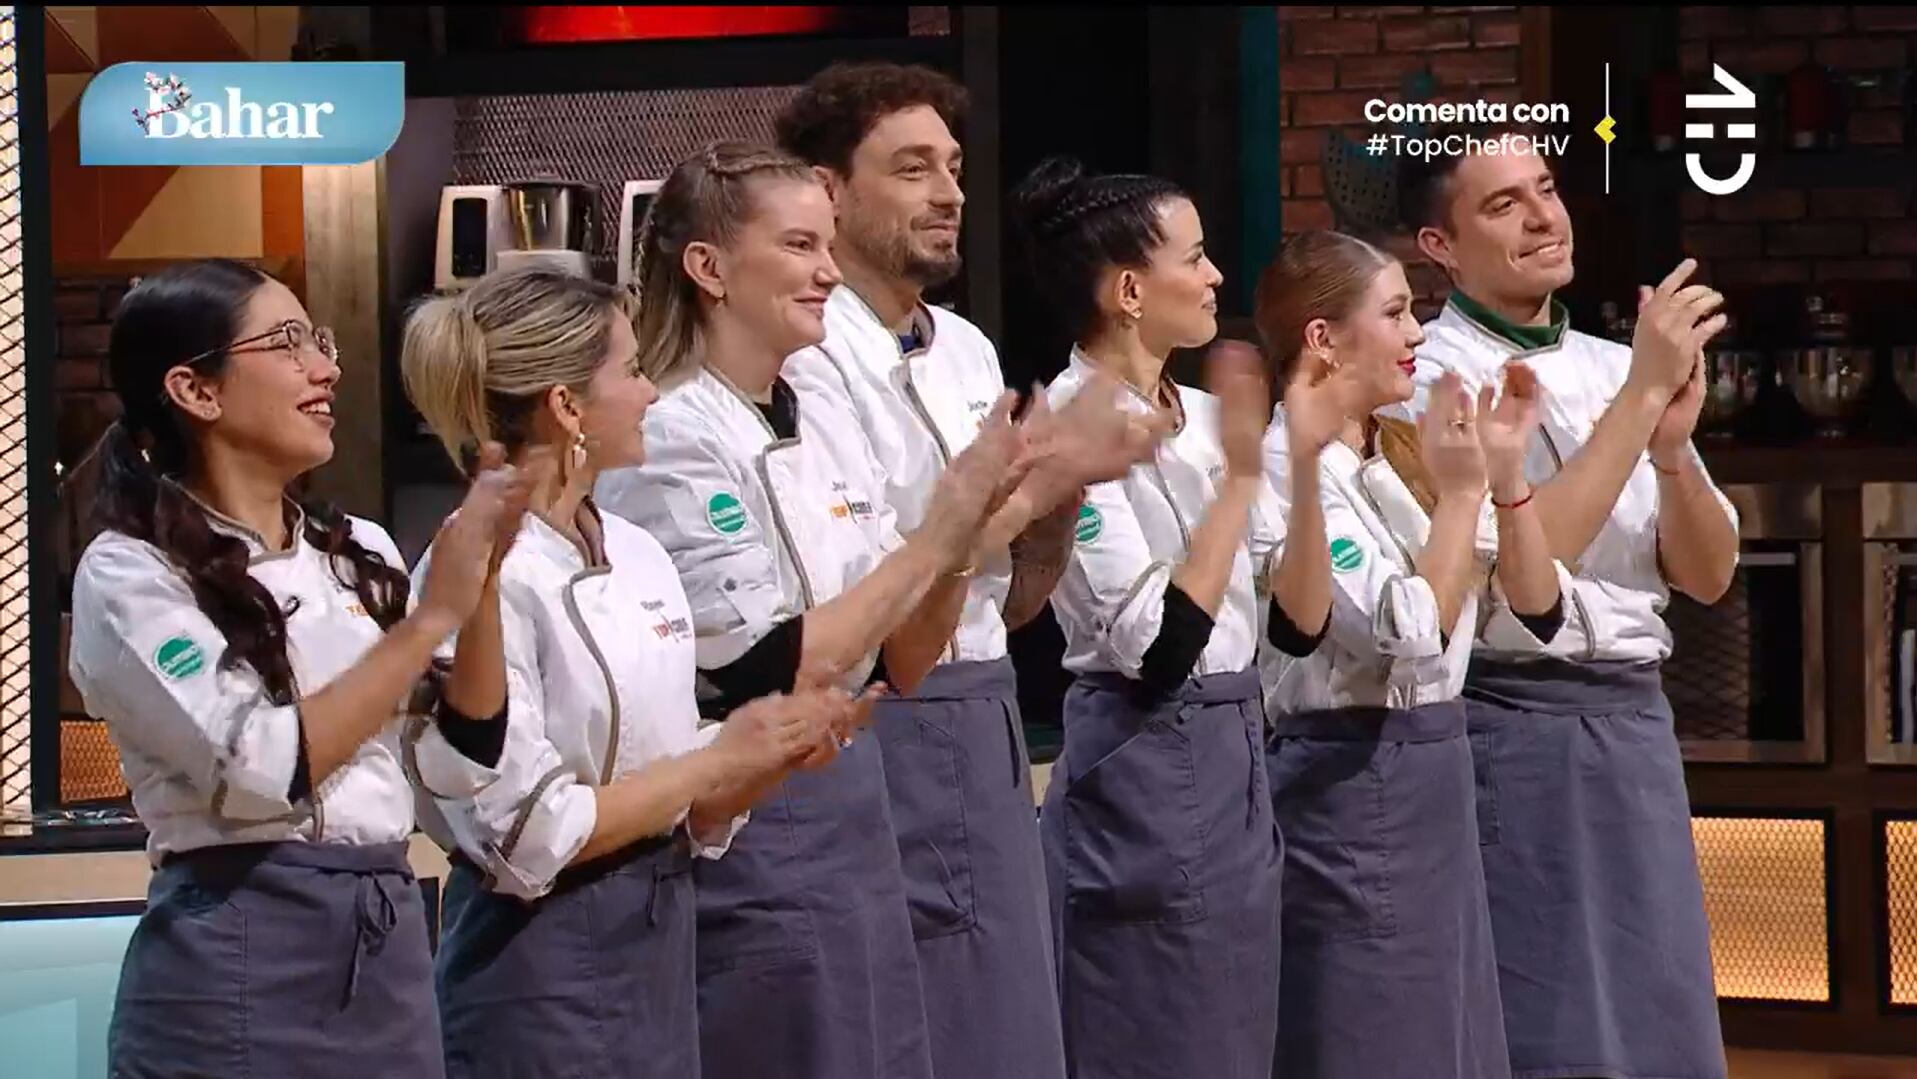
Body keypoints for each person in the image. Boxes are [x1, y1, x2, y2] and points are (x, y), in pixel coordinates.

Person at [594, 140, 1027, 1079]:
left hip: (860, 821)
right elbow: (768, 663)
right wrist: (939, 533)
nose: (828, 271)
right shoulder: (670, 436)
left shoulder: (824, 417)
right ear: (709, 268)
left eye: (828, 244)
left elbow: (903, 660)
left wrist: (965, 534)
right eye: (798, 246)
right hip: (758, 835)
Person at [774, 66, 1158, 1079]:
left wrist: (1061, 496)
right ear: (829, 191)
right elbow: (893, 593)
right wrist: (1044, 483)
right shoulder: (807, 360)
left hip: (985, 716)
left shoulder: (968, 349)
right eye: (912, 169)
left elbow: (1015, 598)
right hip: (886, 717)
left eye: (951, 167)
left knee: (1010, 1027)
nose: (949, 193)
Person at [66, 259, 524, 1078]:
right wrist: (431, 618)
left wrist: (482, 577)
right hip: (235, 957)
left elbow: (462, 760)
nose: (326, 368)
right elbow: (261, 767)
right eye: (287, 343)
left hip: (388, 949)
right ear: (195, 390)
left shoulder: (358, 551)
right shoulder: (128, 572)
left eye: (319, 340)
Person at [398, 266, 859, 1078]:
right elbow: (525, 833)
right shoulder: (474, 568)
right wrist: (715, 760)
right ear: (566, 405)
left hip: (662, 938)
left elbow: (679, 793)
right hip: (535, 966)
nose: (652, 392)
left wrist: (766, 752)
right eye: (634, 370)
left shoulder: (638, 551)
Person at [1395, 127, 1738, 1079]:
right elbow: (1524, 572)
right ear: (1439, 245)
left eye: (1545, 189)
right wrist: (1641, 397)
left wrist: (1668, 447)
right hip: (1512, 723)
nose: (1544, 218)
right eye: (1503, 205)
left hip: (1634, 724)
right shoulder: (1425, 379)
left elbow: (1708, 574)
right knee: (1552, 1027)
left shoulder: (1614, 365)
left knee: (1658, 1019)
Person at [1255, 230, 1578, 1078]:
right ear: (1323, 338)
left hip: (1436, 775)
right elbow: (1405, 632)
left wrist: (1504, 477)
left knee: (1451, 1034)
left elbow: (1538, 606)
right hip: (1346, 784)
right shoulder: (1284, 469)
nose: (1416, 334)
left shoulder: (1396, 452)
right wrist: (1463, 494)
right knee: (1374, 1035)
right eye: (1395, 313)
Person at [1010, 156, 1284, 1079]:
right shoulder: (1068, 426)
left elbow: (1289, 612)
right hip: (1146, 760)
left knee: (1238, 1033)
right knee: (1160, 1033)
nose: (1215, 276)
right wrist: (1240, 481)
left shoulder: (1206, 415)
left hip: (1239, 746)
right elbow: (1157, 648)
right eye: (1194, 257)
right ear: (1129, 291)